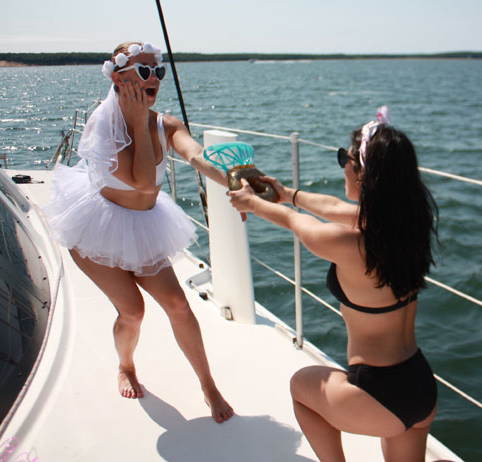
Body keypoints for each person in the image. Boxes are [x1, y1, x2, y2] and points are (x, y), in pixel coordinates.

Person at [228, 107, 438, 460]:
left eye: (347, 158)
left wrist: (252, 202)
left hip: (379, 393)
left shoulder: (350, 244)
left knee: (300, 387)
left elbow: (296, 224)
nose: (342, 165)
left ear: (364, 174)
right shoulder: (408, 227)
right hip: (420, 385)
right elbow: (331, 207)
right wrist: (286, 192)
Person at [44, 41, 233, 423]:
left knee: (179, 305)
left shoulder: (165, 123)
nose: (154, 80)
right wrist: (136, 123)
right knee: (133, 311)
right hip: (97, 227)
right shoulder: (104, 124)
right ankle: (126, 366)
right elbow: (145, 184)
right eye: (144, 72)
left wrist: (238, 182)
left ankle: (208, 385)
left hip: (144, 226)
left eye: (157, 72)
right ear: (118, 78)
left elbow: (197, 156)